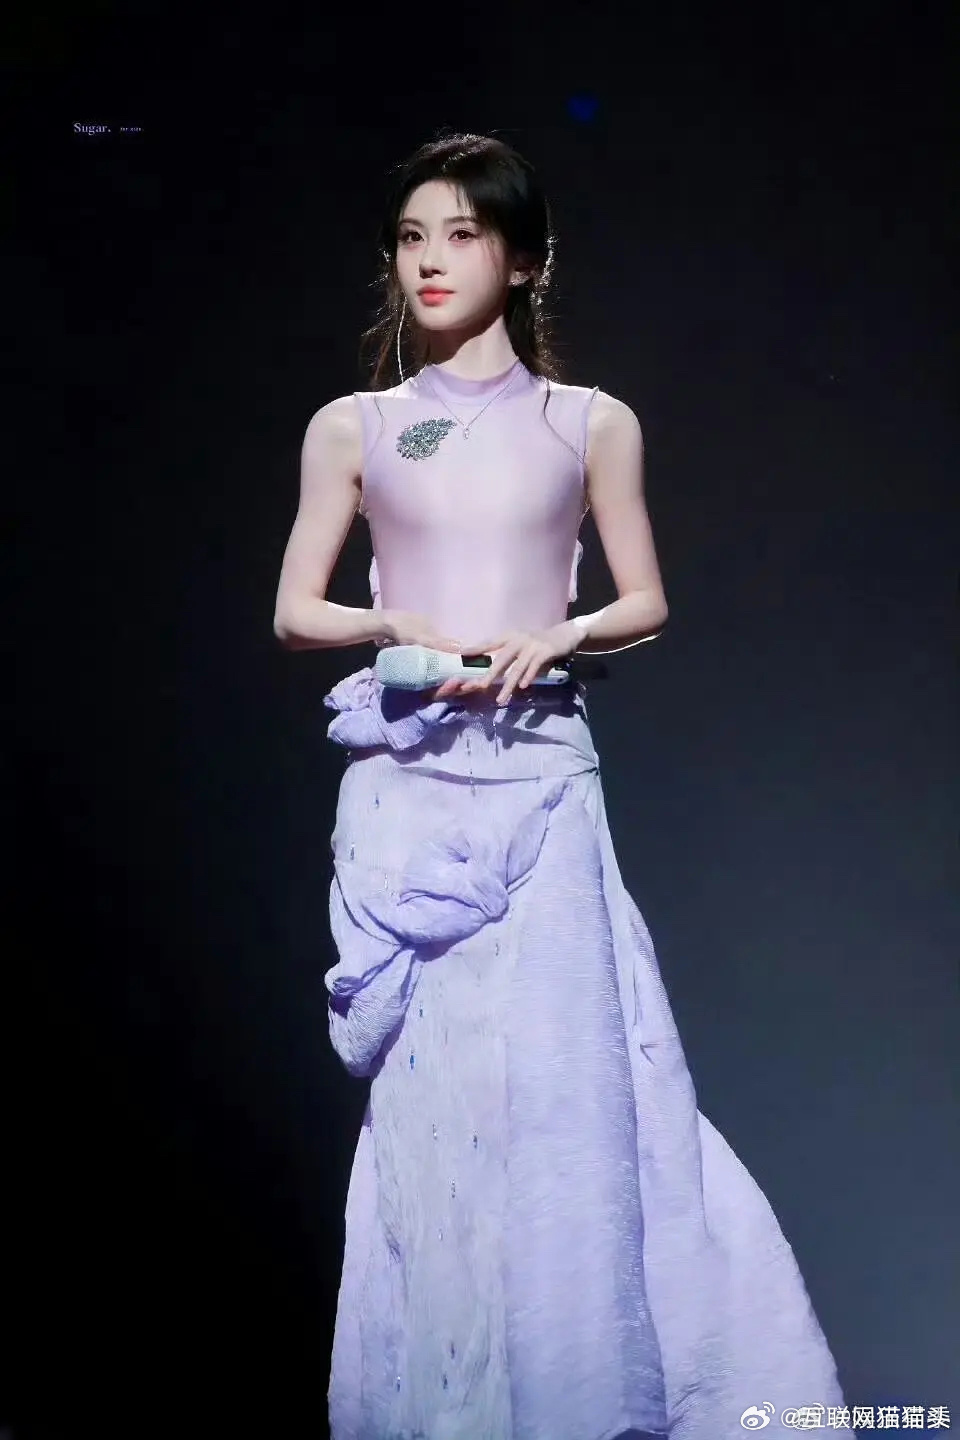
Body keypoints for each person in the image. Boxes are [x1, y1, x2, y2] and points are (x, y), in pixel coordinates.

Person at [273, 131, 845, 1440]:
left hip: (538, 778)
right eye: (411, 237)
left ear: (525, 260)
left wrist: (566, 632)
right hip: (413, 791)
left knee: (565, 1098)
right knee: (435, 1115)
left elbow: (645, 597)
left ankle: (578, 1399)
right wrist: (393, 624)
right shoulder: (356, 427)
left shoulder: (589, 423)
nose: (430, 260)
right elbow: (297, 609)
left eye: (462, 235)